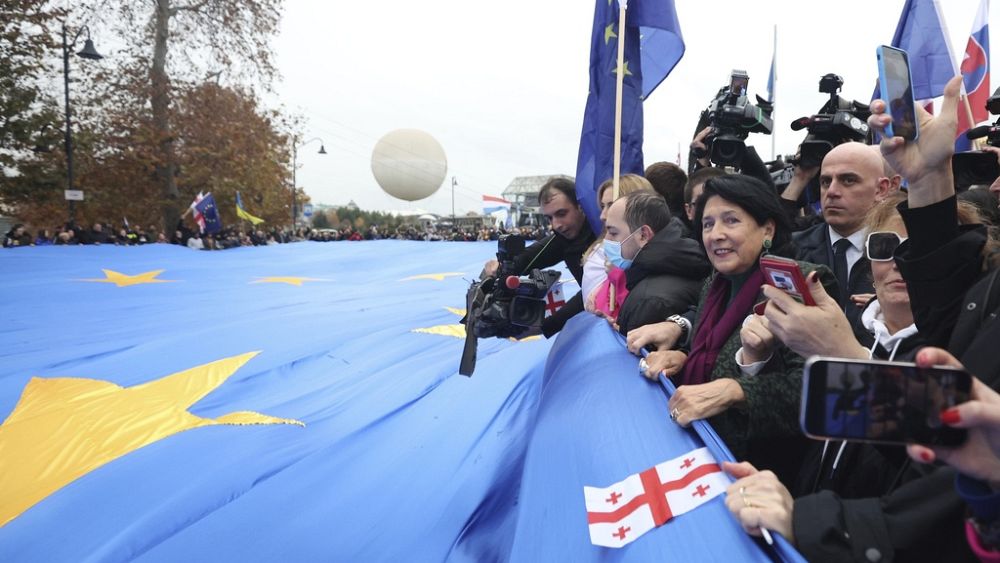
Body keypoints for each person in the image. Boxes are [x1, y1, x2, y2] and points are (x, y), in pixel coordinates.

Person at [626, 174, 836, 484]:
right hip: (698, 449)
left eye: (731, 221)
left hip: (760, 474)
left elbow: (819, 389)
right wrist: (682, 359)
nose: (716, 235)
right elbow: (711, 353)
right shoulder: (715, 284)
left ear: (767, 229)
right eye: (708, 224)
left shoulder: (801, 284)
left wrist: (735, 391)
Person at [483, 177, 596, 337]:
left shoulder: (602, 236)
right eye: (549, 218)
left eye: (562, 213)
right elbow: (529, 258)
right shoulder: (562, 237)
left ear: (581, 206)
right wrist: (500, 267)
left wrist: (545, 326)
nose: (556, 225)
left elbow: (593, 291)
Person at [793, 142, 891, 325]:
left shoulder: (902, 253)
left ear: (881, 189)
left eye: (848, 180)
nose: (831, 192)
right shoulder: (792, 250)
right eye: (825, 181)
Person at [602, 190, 710, 334]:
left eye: (613, 233)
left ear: (643, 235)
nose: (606, 240)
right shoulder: (681, 259)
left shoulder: (649, 301)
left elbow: (636, 352)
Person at [581, 174, 654, 314]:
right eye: (602, 206)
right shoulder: (602, 251)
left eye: (611, 205)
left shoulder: (659, 254)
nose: (603, 215)